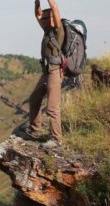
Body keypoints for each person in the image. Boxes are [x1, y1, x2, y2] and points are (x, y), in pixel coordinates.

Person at [25, 0, 65, 148]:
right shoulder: (47, 30)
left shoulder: (58, 31)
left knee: (52, 107)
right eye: (45, 18)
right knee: (34, 99)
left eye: (49, 17)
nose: (46, 20)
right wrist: (37, 3)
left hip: (55, 72)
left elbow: (54, 6)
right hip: (46, 72)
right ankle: (35, 129)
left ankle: (56, 139)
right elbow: (38, 15)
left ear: (55, 18)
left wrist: (50, 4)